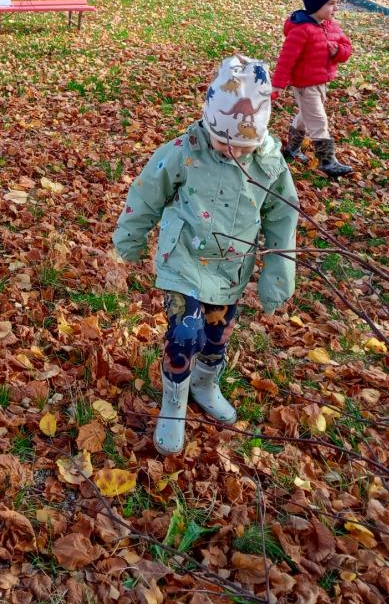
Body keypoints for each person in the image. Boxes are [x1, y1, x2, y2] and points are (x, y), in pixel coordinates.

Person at [112, 54, 299, 456]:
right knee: (185, 334)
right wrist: (130, 238)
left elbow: (282, 220)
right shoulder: (185, 151)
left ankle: (204, 384)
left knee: (217, 336)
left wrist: (277, 276)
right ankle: (174, 401)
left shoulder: (269, 165)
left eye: (243, 146)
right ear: (208, 121)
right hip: (184, 259)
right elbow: (147, 193)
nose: (232, 152)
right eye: (223, 142)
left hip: (231, 268)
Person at [271, 0, 354, 178]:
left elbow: (347, 47)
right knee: (318, 119)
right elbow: (286, 60)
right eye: (331, 4)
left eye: (337, 3)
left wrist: (337, 51)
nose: (336, 8)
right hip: (304, 84)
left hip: (321, 82)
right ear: (316, 4)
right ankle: (327, 161)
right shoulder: (301, 30)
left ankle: (292, 148)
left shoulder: (331, 26)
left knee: (306, 115)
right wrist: (278, 85)